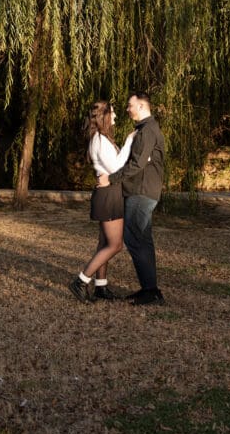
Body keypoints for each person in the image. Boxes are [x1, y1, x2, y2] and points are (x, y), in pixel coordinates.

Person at [97, 92, 165, 306]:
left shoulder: (147, 131)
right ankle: (150, 290)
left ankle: (150, 291)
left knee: (135, 239)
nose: (127, 109)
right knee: (143, 240)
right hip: (141, 192)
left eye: (130, 105)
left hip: (141, 192)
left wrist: (111, 179)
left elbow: (136, 165)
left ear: (142, 106)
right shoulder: (145, 130)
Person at [69, 101, 134, 304]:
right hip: (108, 195)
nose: (115, 117)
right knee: (115, 245)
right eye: (112, 114)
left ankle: (101, 286)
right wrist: (130, 141)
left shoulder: (102, 139)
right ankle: (80, 281)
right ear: (103, 117)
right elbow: (115, 167)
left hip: (109, 193)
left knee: (105, 243)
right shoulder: (99, 140)